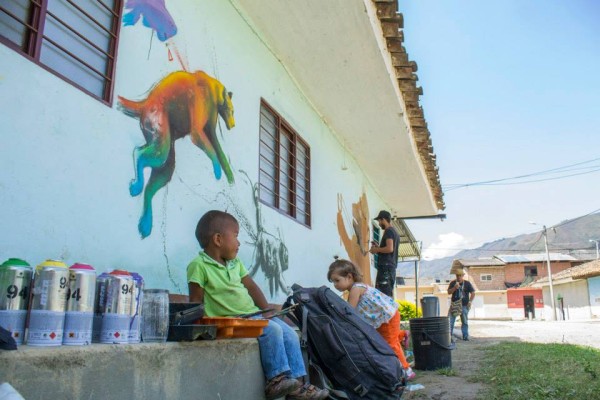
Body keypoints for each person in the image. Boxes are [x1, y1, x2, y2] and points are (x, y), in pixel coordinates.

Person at [187, 210, 329, 400]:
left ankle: (298, 387)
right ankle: (276, 380)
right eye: (236, 237)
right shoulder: (199, 265)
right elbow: (195, 300)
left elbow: (252, 287)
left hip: (253, 315)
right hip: (232, 320)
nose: (238, 243)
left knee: (288, 333)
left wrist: (269, 311)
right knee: (272, 331)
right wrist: (197, 328)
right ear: (218, 239)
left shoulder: (235, 263)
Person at [327, 258, 416, 380]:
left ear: (349, 276)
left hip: (386, 318)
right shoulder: (357, 287)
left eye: (337, 281)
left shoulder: (355, 289)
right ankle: (402, 334)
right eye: (333, 282)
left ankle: (406, 370)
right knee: (385, 340)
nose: (335, 285)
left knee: (390, 344)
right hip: (383, 318)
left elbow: (349, 312)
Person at [369, 210, 400, 297]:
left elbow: (390, 249)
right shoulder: (395, 232)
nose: (379, 223)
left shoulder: (388, 231)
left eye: (379, 221)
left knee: (383, 297)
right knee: (386, 295)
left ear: (383, 219)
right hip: (390, 269)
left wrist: (376, 250)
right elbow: (390, 249)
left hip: (385, 269)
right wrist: (378, 247)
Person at [447, 270, 476, 341]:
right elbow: (449, 292)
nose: (459, 277)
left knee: (464, 322)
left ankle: (465, 336)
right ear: (456, 276)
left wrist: (470, 302)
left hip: (464, 305)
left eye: (460, 275)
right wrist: (454, 288)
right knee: (450, 321)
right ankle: (449, 337)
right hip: (454, 305)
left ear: (463, 276)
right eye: (457, 275)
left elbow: (473, 292)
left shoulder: (467, 283)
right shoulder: (453, 283)